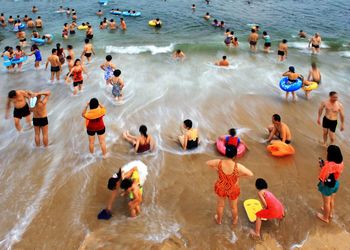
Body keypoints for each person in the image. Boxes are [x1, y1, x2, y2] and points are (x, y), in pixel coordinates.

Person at [207, 146, 254, 225]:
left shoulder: (219, 162)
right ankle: (235, 220)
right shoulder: (237, 166)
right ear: (235, 155)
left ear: (225, 153)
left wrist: (218, 170)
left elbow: (208, 163)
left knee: (220, 205)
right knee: (233, 207)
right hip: (232, 188)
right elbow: (250, 174)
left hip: (221, 187)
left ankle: (219, 220)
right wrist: (238, 175)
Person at [317, 145, 344, 223]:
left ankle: (325, 218)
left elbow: (322, 178)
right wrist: (324, 164)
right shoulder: (340, 162)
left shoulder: (328, 166)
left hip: (328, 187)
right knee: (331, 200)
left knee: (326, 203)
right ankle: (330, 213)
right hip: (335, 184)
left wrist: (322, 167)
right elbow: (333, 168)